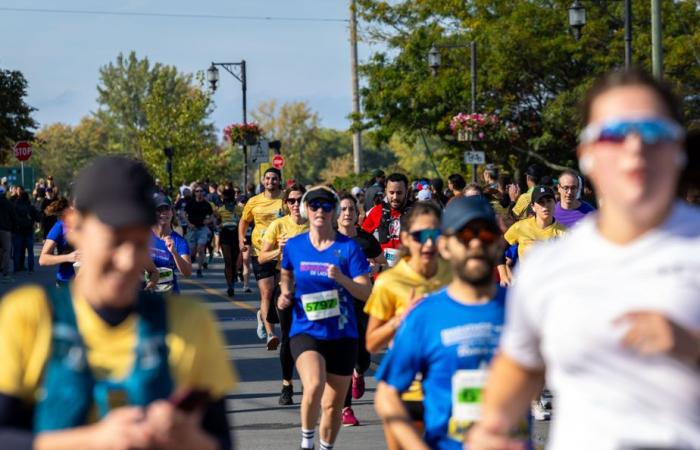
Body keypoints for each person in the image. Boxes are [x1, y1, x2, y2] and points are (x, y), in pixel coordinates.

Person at [468, 70, 700, 450]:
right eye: (613, 134)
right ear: (587, 155)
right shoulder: (549, 264)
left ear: (678, 150)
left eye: (653, 132)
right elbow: (520, 368)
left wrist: (690, 345)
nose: (634, 148)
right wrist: (492, 428)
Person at [0, 156, 236, 450]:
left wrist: (182, 435)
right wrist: (94, 440)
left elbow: (220, 442)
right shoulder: (29, 315)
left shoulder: (189, 322)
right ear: (75, 228)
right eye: (115, 240)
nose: (127, 262)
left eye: (139, 243)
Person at [374, 196, 515, 450]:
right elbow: (386, 395)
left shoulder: (524, 309)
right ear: (446, 246)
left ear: (497, 242)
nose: (475, 243)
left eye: (484, 233)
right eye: (464, 235)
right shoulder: (425, 315)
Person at [278, 186, 372, 450]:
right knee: (314, 383)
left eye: (326, 206)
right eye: (314, 205)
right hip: (305, 329)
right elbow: (286, 272)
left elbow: (366, 292)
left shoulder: (349, 248)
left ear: (333, 212)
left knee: (332, 405)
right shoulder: (295, 245)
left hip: (342, 334)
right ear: (306, 210)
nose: (320, 210)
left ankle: (325, 447)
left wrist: (342, 279)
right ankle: (306, 443)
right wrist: (286, 292)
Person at [364, 201, 452, 449]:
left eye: (435, 234)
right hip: (404, 388)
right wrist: (400, 320)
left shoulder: (454, 275)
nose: (428, 243)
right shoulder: (390, 282)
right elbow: (371, 342)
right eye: (419, 236)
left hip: (445, 386)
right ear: (404, 238)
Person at [336, 193, 385, 427]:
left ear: (357, 214)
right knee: (343, 356)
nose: (347, 213)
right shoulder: (328, 240)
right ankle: (345, 409)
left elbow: (383, 262)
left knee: (363, 353)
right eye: (343, 209)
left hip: (363, 301)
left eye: (351, 210)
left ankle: (359, 372)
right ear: (337, 213)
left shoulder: (366, 240)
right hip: (337, 304)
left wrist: (375, 267)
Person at [258, 183, 308, 404]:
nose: (296, 204)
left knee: (311, 336)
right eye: (292, 201)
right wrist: (279, 249)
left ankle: (310, 381)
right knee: (288, 338)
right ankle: (287, 385)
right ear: (286, 204)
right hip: (286, 285)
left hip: (312, 286)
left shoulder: (316, 225)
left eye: (300, 200)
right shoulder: (279, 225)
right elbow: (261, 257)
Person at [239, 167, 284, 350]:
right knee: (266, 292)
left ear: (279, 181)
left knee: (279, 292)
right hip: (261, 252)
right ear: (263, 181)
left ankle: (261, 315)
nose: (270, 182)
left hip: (282, 252)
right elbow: (244, 221)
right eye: (267, 179)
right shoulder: (254, 201)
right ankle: (271, 334)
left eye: (274, 179)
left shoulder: (286, 200)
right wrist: (241, 239)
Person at [502, 185, 567, 262]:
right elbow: (498, 250)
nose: (545, 206)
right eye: (541, 202)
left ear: (555, 203)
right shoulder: (520, 227)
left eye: (549, 201)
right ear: (533, 207)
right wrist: (504, 272)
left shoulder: (565, 233)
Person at [362, 172, 412, 268]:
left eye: (399, 193)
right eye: (391, 193)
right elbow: (363, 238)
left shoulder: (416, 212)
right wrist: (371, 257)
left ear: (406, 191)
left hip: (408, 270)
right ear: (386, 191)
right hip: (383, 271)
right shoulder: (377, 210)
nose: (395, 197)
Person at [150, 195, 192, 293]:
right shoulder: (144, 236)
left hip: (169, 295)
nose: (164, 213)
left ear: (172, 212)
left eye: (167, 209)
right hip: (145, 294)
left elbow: (187, 272)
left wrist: (174, 253)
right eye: (159, 209)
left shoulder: (179, 241)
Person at [39, 198, 78, 286]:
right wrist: (69, 257)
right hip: (66, 282)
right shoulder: (60, 226)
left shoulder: (94, 225)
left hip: (92, 285)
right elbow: (43, 259)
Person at [215, 188, 242, 297]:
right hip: (225, 235)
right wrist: (218, 225)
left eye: (230, 201)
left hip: (236, 235)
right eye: (226, 201)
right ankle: (230, 285)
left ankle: (234, 276)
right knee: (228, 261)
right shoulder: (220, 210)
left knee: (235, 260)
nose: (228, 204)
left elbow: (244, 222)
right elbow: (216, 222)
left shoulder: (239, 209)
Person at [184, 185, 214, 278]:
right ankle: (192, 257)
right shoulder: (190, 203)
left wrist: (208, 221)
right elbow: (183, 214)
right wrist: (188, 223)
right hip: (192, 229)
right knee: (192, 250)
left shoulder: (207, 204)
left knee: (201, 249)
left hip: (202, 229)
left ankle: (199, 269)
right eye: (197, 191)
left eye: (201, 191)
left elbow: (212, 215)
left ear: (203, 193)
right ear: (194, 193)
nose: (199, 193)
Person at [11, 190, 40, 273]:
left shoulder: (15, 207)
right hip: (29, 231)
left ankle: (16, 268)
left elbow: (12, 218)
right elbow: (38, 218)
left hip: (18, 231)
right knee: (30, 251)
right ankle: (31, 268)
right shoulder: (31, 207)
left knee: (17, 250)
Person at [0, 187, 16, 283]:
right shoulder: (8, 203)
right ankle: (6, 272)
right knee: (6, 251)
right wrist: (14, 228)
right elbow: (13, 216)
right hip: (5, 230)